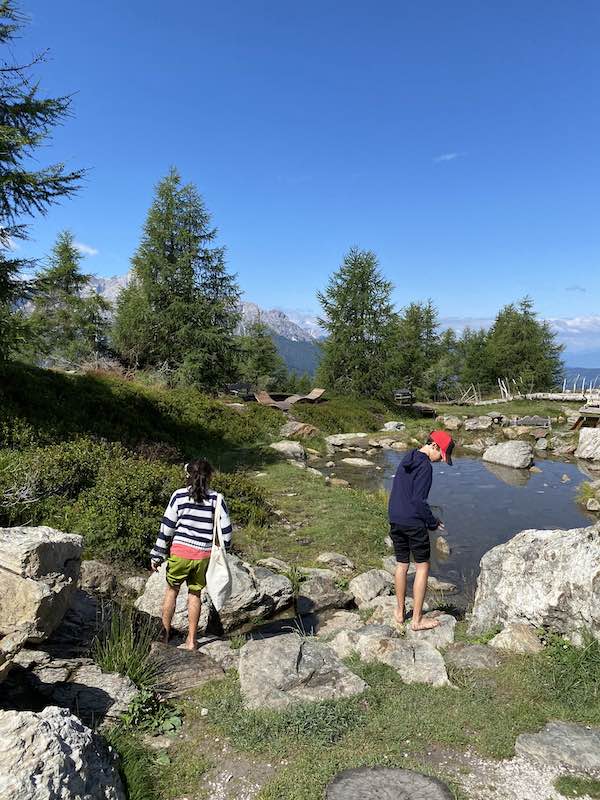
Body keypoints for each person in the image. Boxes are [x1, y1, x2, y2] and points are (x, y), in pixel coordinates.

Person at [150, 459, 233, 650]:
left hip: (180, 553)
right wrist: (223, 549)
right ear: (209, 476)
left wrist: (157, 554)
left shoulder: (178, 496)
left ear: (188, 475)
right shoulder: (217, 499)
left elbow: (167, 528)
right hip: (203, 555)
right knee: (195, 594)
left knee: (172, 591)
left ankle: (164, 637)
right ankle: (191, 641)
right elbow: (226, 532)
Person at [388, 430, 454, 631]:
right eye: (442, 455)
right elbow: (418, 500)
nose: (441, 461)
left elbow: (404, 492)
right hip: (413, 521)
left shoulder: (408, 458)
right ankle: (417, 621)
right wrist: (432, 522)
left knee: (401, 564)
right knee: (423, 566)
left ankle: (399, 614)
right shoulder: (425, 466)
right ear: (434, 446)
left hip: (395, 517)